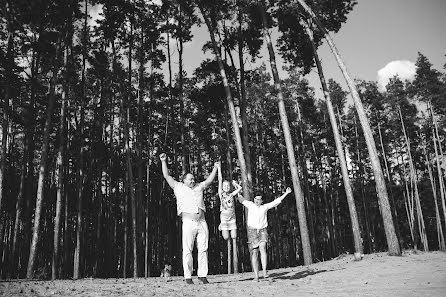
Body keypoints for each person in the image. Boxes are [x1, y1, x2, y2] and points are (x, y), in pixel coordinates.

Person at [159, 153, 219, 285]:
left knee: (203, 249)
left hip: (202, 222)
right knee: (187, 249)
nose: (192, 181)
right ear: (184, 180)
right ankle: (188, 277)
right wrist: (164, 161)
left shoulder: (199, 187)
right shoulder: (178, 187)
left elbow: (209, 181)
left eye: (193, 179)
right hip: (188, 223)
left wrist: (215, 168)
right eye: (190, 179)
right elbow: (167, 176)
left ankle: (202, 275)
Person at [236, 187, 292, 281]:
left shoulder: (264, 207)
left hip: (262, 230)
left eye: (259, 199)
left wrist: (286, 193)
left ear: (262, 201)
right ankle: (256, 275)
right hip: (252, 231)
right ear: (254, 199)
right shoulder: (250, 205)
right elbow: (240, 198)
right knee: (254, 253)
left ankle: (265, 272)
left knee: (262, 248)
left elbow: (275, 202)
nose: (257, 201)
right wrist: (237, 188)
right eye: (256, 199)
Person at [217, 166, 242, 271]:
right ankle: (221, 226)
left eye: (228, 186)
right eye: (225, 185)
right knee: (226, 237)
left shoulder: (232, 194)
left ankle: (235, 266)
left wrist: (235, 184)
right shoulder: (221, 194)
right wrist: (219, 168)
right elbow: (219, 180)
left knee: (234, 236)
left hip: (232, 218)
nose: (226, 187)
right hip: (224, 218)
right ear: (222, 187)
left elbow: (240, 189)